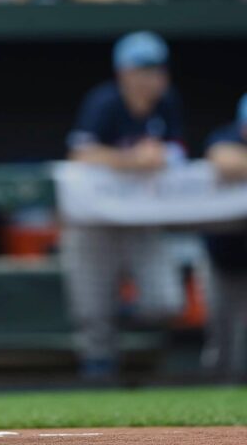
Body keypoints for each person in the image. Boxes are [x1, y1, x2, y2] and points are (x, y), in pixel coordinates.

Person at [61, 31, 187, 380]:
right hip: (96, 218)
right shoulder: (105, 101)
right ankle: (98, 376)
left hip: (142, 216)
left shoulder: (167, 102)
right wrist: (132, 159)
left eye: (157, 70)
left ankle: (126, 316)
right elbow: (81, 152)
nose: (152, 78)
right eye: (143, 70)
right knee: (92, 309)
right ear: (124, 73)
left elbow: (178, 151)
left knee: (165, 301)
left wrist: (163, 155)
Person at [200, 92, 247, 381]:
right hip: (222, 254)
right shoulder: (225, 136)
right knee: (222, 337)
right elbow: (223, 160)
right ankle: (218, 389)